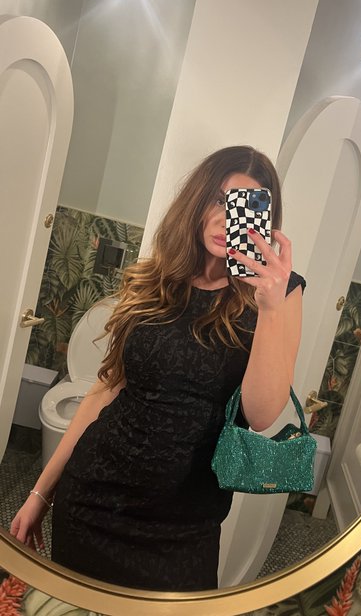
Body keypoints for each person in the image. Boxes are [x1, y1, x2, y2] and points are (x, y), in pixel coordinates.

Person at [10, 145, 305, 591]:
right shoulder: (157, 279)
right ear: (197, 201)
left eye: (242, 207)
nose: (225, 218)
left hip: (185, 525)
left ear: (263, 221)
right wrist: (40, 492)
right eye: (218, 200)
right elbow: (106, 389)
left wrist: (269, 308)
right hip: (92, 499)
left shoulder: (281, 295)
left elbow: (261, 414)